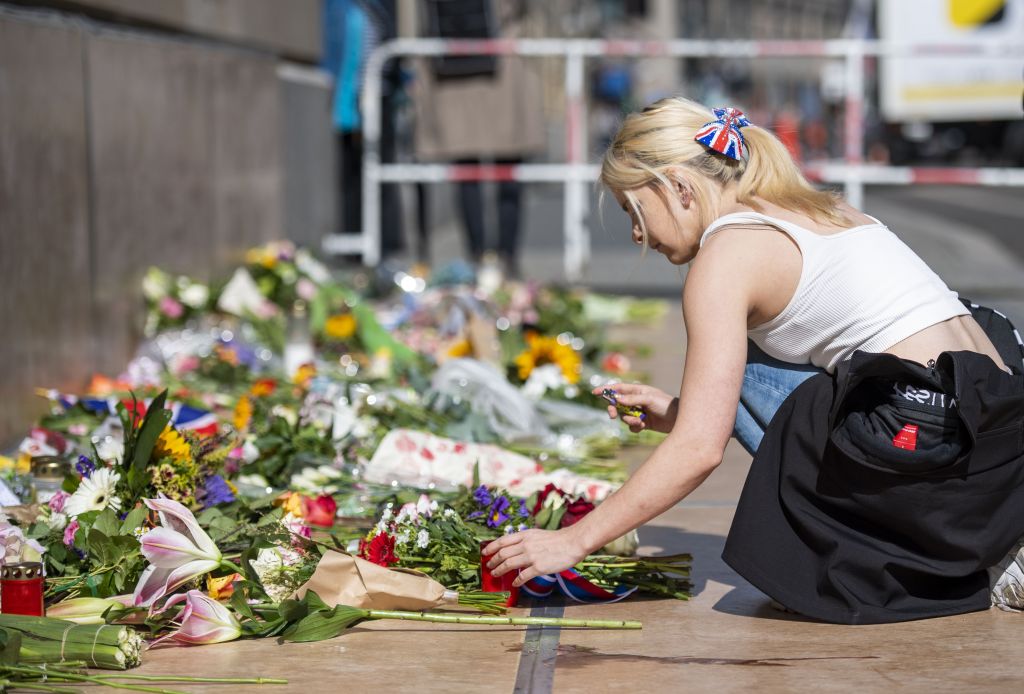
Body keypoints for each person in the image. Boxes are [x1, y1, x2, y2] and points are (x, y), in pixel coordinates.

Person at [484, 97, 1024, 624]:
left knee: (745, 365)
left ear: (676, 186)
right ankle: (979, 538)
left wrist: (571, 541)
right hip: (997, 433)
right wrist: (683, 412)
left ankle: (936, 558)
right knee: (751, 365)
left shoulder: (726, 256)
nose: (635, 235)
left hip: (931, 442)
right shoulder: (816, 207)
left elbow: (700, 450)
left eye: (634, 210)